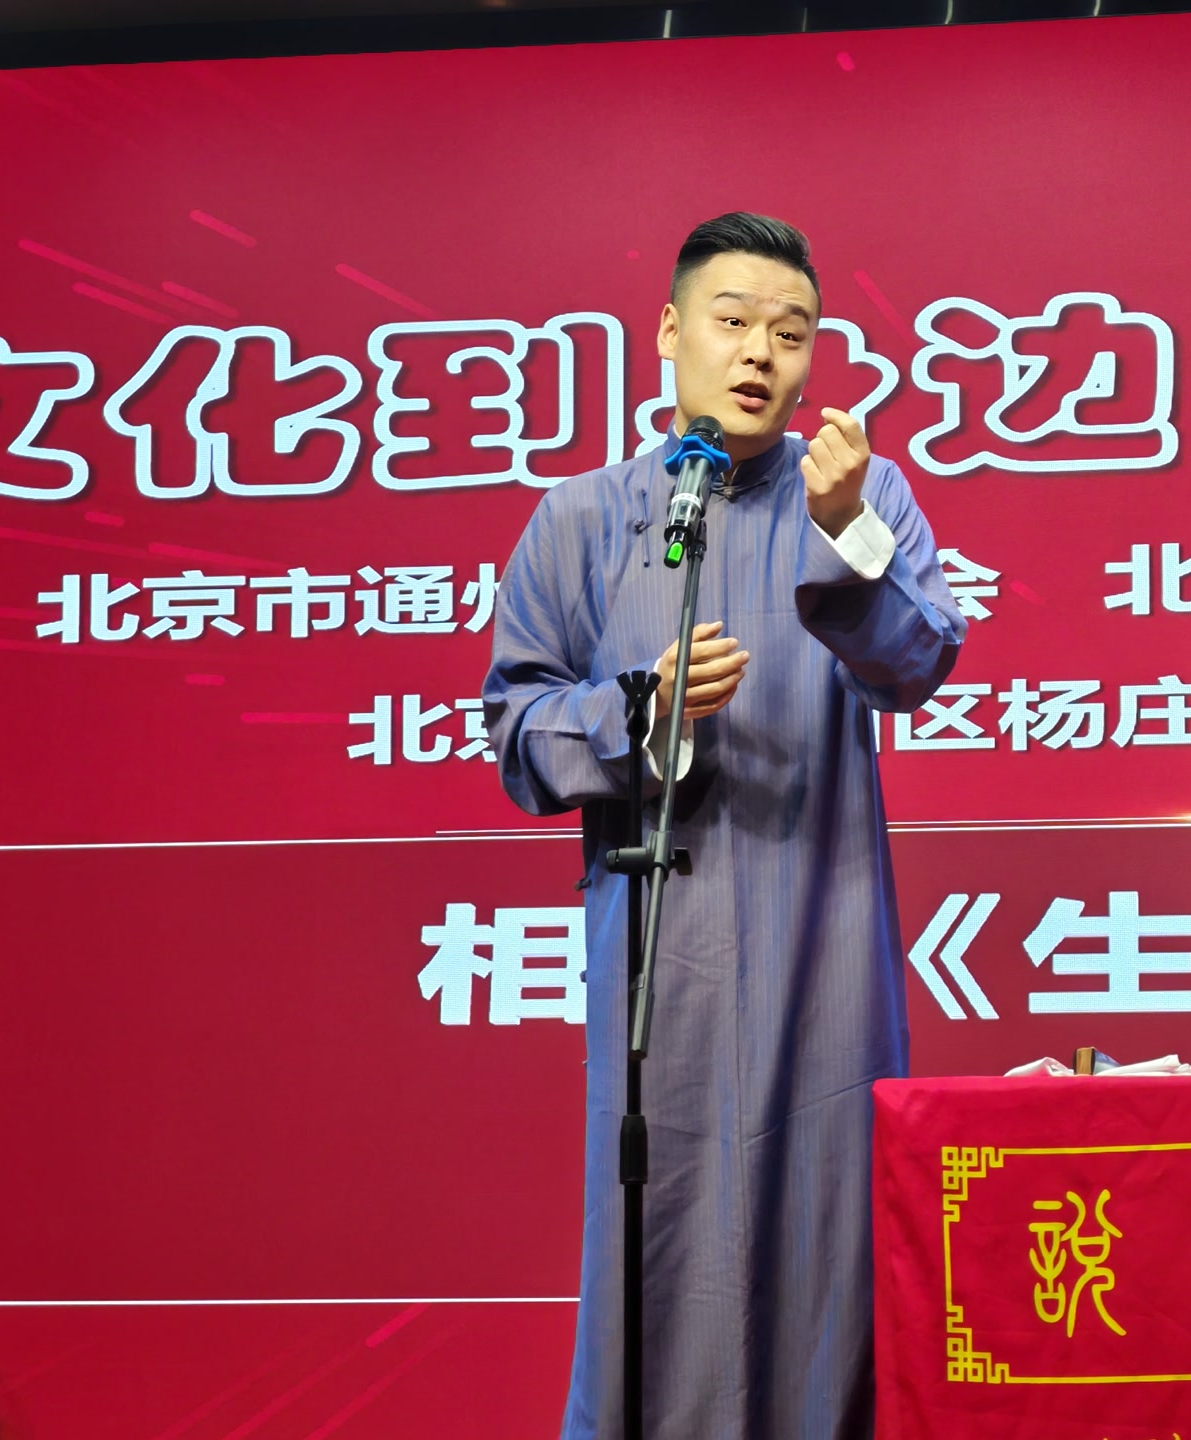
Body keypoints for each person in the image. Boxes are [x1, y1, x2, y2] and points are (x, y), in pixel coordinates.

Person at [484, 213, 966, 1439]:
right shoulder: (581, 517)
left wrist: (847, 529)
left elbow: (919, 661)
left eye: (791, 333)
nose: (760, 353)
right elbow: (518, 735)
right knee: (665, 1234)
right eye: (734, 321)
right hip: (664, 957)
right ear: (668, 332)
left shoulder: (859, 493)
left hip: (824, 936)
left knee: (829, 1240)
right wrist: (635, 711)